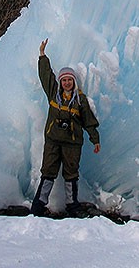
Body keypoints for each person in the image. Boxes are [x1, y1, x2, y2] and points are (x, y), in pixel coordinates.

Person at [31, 38, 101, 217]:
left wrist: (95, 140)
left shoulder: (80, 100)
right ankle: (38, 205)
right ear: (61, 82)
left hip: (72, 142)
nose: (67, 83)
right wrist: (42, 55)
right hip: (53, 140)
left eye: (70, 80)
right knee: (48, 172)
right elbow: (46, 76)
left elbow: (88, 121)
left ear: (74, 82)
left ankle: (72, 205)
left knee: (71, 174)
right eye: (64, 80)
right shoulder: (54, 94)